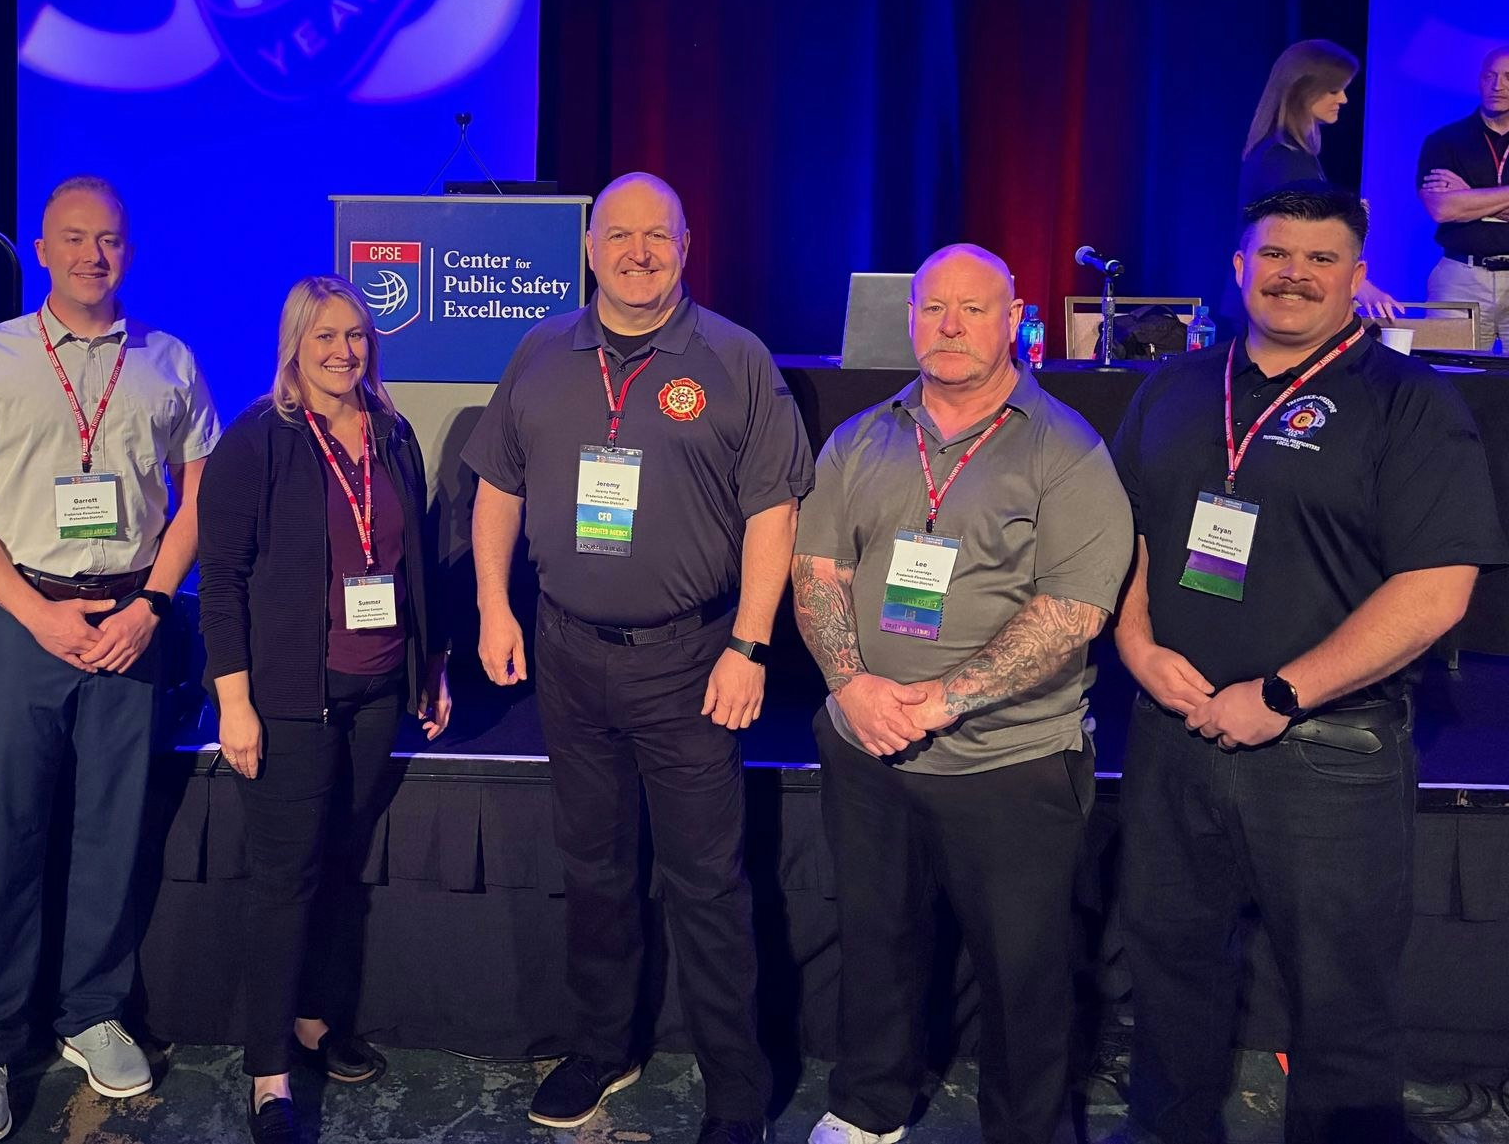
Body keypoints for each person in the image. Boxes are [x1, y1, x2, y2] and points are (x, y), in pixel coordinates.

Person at [1110, 188, 1506, 1144]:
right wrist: (1135, 644)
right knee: (1168, 975)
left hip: (1328, 753)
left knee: (1341, 1005)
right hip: (1174, 734)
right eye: (1275, 253)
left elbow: (1437, 589)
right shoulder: (1174, 389)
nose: (1295, 273)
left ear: (1358, 276)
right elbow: (1129, 539)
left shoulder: (1410, 403)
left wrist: (1282, 694)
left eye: (1321, 258)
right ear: (1240, 266)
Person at [463, 172, 812, 1144]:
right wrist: (496, 607)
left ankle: (735, 1084)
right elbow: (498, 487)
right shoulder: (541, 351)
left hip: (691, 658)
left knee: (706, 880)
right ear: (590, 249)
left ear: (687, 246)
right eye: (620, 235)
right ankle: (601, 1043)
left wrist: (748, 643)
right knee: (595, 866)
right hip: (569, 653)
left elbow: (773, 513)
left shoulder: (735, 359)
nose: (639, 251)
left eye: (658, 235)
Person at [790, 245, 1132, 1144]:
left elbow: (1074, 608)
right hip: (867, 746)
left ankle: (1026, 1131)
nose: (949, 325)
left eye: (973, 309)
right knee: (876, 941)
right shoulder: (860, 439)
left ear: (1013, 316)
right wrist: (851, 684)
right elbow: (817, 568)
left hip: (1011, 761)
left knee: (1023, 970)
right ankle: (869, 1104)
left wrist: (941, 700)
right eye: (933, 307)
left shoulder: (1066, 448)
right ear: (909, 317)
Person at [0, 177, 219, 1144]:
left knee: (110, 830)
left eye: (113, 241)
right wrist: (33, 615)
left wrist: (154, 604)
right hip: (17, 617)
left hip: (129, 615)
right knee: (3, 830)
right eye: (76, 239)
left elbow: (201, 490)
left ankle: (90, 1009)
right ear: (42, 249)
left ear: (131, 252)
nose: (95, 255)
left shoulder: (167, 360)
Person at [197, 275, 452, 1144]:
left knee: (340, 862)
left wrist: (433, 663)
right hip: (289, 700)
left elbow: (415, 554)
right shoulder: (257, 441)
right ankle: (269, 1069)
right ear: (294, 347)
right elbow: (221, 583)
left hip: (381, 688)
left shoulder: (392, 432)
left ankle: (312, 1020)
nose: (345, 351)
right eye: (325, 338)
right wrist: (235, 699)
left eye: (357, 335)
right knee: (285, 880)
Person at [1236, 39, 1400, 320]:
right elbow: (1300, 236)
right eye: (1334, 90)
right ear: (1304, 91)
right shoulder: (1283, 159)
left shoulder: (1289, 154)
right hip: (1276, 309)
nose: (1343, 99)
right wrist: (1363, 288)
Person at [1417, 45, 1509, 344]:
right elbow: (1442, 210)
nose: (1498, 86)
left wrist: (1468, 196)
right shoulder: (1445, 141)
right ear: (1479, 80)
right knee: (1454, 376)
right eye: (1490, 76)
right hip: (1460, 277)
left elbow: (1458, 205)